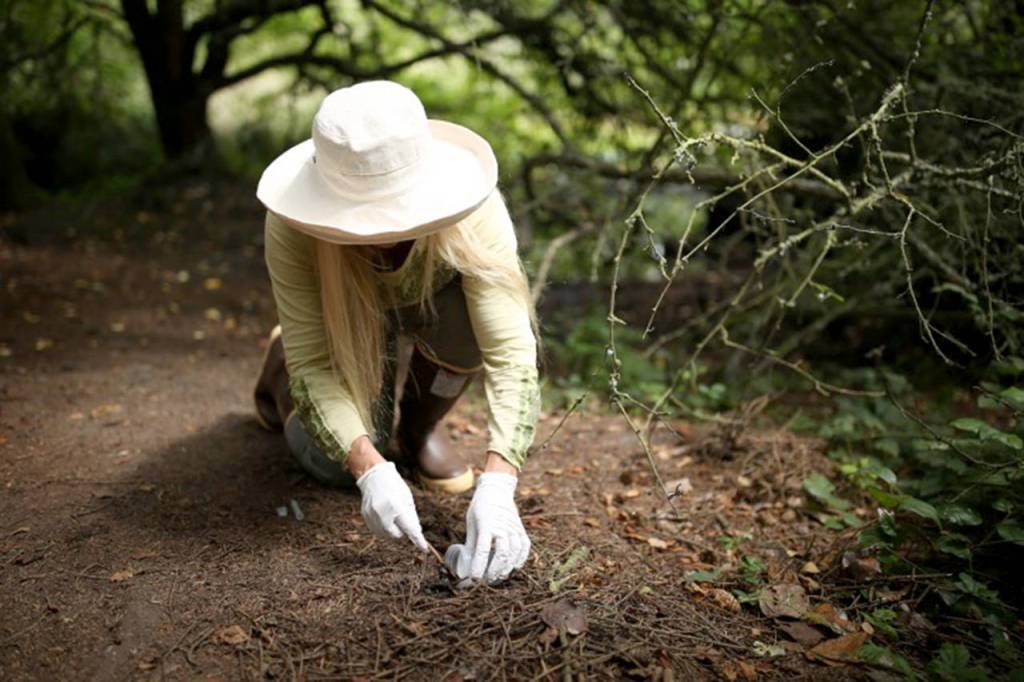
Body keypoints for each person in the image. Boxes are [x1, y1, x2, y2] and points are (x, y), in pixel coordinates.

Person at [251, 80, 541, 584]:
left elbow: (511, 350)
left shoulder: (475, 207)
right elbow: (317, 366)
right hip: (342, 324)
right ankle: (281, 368)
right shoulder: (291, 226)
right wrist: (368, 467)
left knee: (469, 327)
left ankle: (420, 427)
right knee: (330, 465)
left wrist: (499, 482)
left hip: (433, 305)